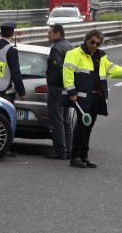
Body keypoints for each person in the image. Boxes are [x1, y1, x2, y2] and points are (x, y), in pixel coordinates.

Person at [63, 29, 122, 168]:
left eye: (98, 43)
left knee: (88, 127)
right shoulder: (74, 54)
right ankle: (75, 157)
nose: (94, 45)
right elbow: (67, 72)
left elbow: (111, 69)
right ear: (86, 40)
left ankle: (84, 156)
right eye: (92, 42)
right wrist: (71, 91)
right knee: (82, 126)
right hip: (82, 97)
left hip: (97, 97)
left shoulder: (101, 57)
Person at [45, 23, 74, 160]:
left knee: (57, 120)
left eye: (50, 32)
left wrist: (52, 82)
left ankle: (60, 151)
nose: (48, 34)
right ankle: (69, 150)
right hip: (67, 88)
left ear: (58, 33)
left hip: (57, 87)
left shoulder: (56, 49)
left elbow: (58, 69)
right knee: (66, 120)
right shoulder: (70, 46)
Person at [0, 20, 26, 103]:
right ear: (13, 34)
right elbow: (16, 74)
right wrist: (22, 93)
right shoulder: (11, 51)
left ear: (0, 33)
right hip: (4, 93)